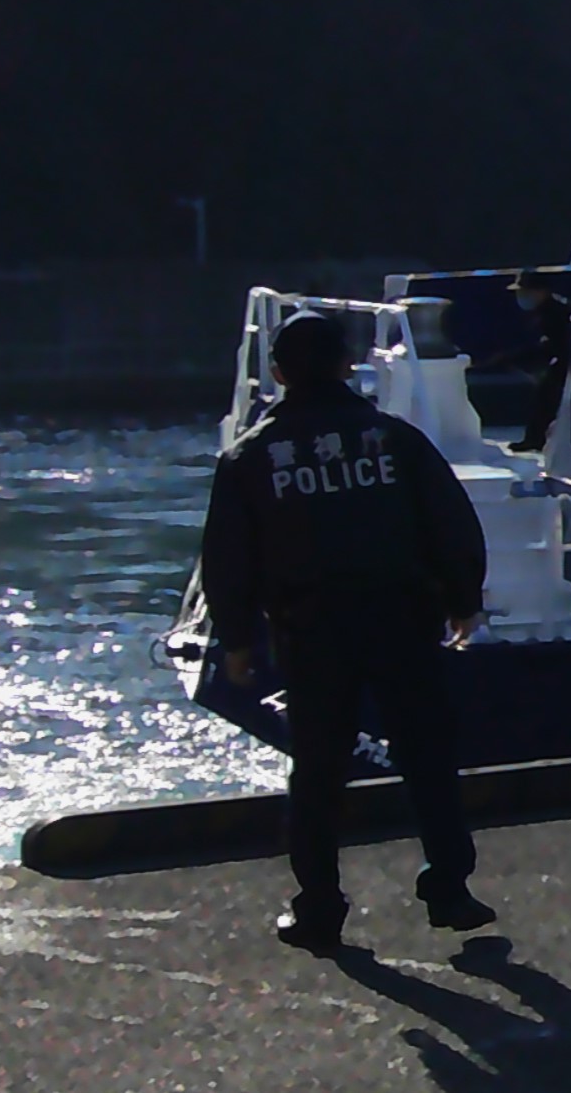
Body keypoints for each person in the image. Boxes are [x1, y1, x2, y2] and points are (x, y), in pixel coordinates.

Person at [200, 309, 495, 952]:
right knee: (427, 757)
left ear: (278, 373)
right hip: (401, 620)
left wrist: (238, 642)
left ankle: (320, 907)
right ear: (345, 366)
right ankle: (450, 889)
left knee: (318, 771)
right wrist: (462, 600)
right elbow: (450, 522)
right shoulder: (395, 440)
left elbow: (228, 559)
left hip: (310, 632)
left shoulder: (250, 458)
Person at [497, 270, 571, 456]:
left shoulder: (556, 312)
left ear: (541, 291)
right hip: (563, 360)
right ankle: (536, 438)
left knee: (548, 396)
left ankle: (536, 439)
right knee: (545, 397)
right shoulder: (547, 310)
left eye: (525, 292)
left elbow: (558, 344)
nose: (522, 297)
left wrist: (520, 358)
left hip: (570, 361)